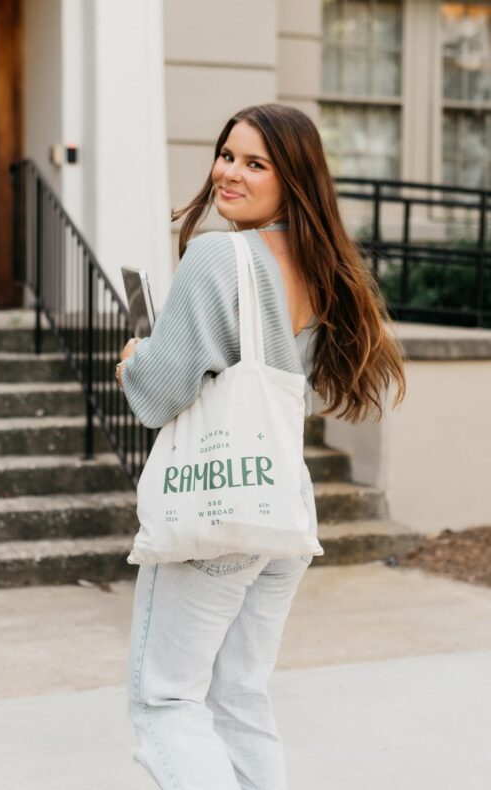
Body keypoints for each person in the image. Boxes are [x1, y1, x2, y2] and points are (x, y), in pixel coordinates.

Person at [117, 103, 406, 789]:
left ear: (293, 179)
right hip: (282, 514)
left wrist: (135, 356)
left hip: (218, 514)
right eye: (226, 154)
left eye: (255, 163)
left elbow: (160, 393)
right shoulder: (318, 268)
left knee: (166, 702)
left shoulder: (220, 254)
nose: (229, 173)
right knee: (239, 699)